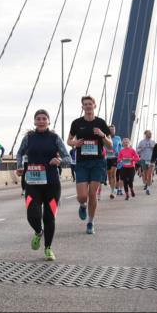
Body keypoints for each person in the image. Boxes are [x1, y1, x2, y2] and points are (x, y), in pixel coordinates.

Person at [16, 109, 71, 261]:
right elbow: (20, 153)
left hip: (52, 183)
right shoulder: (29, 138)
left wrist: (59, 161)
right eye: (38, 118)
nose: (41, 121)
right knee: (32, 214)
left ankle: (48, 248)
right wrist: (19, 166)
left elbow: (68, 157)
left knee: (49, 217)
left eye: (44, 118)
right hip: (33, 182)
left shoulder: (55, 138)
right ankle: (38, 232)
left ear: (48, 121)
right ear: (34, 122)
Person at [67, 96, 112, 235]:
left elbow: (110, 146)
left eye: (90, 104)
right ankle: (82, 205)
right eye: (85, 104)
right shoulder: (76, 123)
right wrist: (75, 143)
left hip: (97, 162)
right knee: (82, 196)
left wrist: (102, 135)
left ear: (94, 106)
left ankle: (91, 222)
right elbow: (69, 140)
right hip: (81, 163)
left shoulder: (101, 122)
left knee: (92, 194)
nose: (88, 106)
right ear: (82, 107)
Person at [136, 130, 155, 195]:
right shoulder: (141, 142)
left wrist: (153, 149)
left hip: (151, 160)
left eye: (151, 133)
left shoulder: (153, 142)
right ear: (145, 134)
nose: (150, 134)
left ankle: (148, 188)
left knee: (149, 174)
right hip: (143, 159)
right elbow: (137, 151)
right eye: (149, 133)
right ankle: (146, 183)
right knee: (145, 173)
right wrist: (142, 149)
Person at [105, 124, 122, 199]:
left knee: (113, 173)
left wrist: (120, 155)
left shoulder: (118, 138)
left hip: (115, 158)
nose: (112, 130)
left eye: (113, 129)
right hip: (107, 158)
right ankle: (112, 188)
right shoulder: (104, 138)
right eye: (110, 129)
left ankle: (113, 191)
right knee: (109, 175)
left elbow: (120, 147)